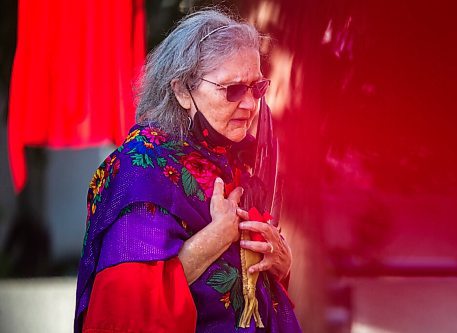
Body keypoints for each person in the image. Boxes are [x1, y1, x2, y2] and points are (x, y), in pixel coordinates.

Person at [74, 8, 302, 333]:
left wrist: (279, 265)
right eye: (233, 89)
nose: (250, 104)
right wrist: (214, 238)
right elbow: (123, 310)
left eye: (257, 88)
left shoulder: (237, 161)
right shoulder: (140, 169)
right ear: (182, 91)